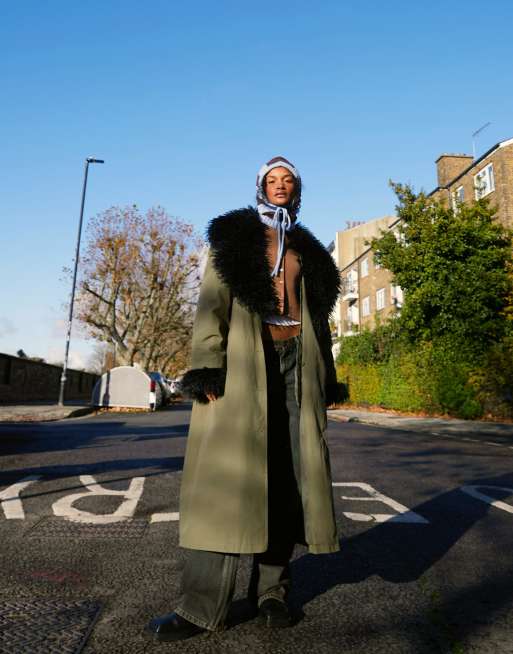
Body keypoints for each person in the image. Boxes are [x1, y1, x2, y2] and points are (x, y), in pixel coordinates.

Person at [146, 156, 342, 642]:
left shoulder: (306, 248)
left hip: (298, 361)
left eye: (287, 180)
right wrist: (207, 366)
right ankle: (199, 607)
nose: (280, 186)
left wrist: (327, 375)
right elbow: (211, 307)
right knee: (224, 481)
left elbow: (318, 319)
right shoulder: (233, 239)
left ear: (296, 189)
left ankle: (272, 592)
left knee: (288, 474)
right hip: (244, 362)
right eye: (272, 180)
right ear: (260, 187)